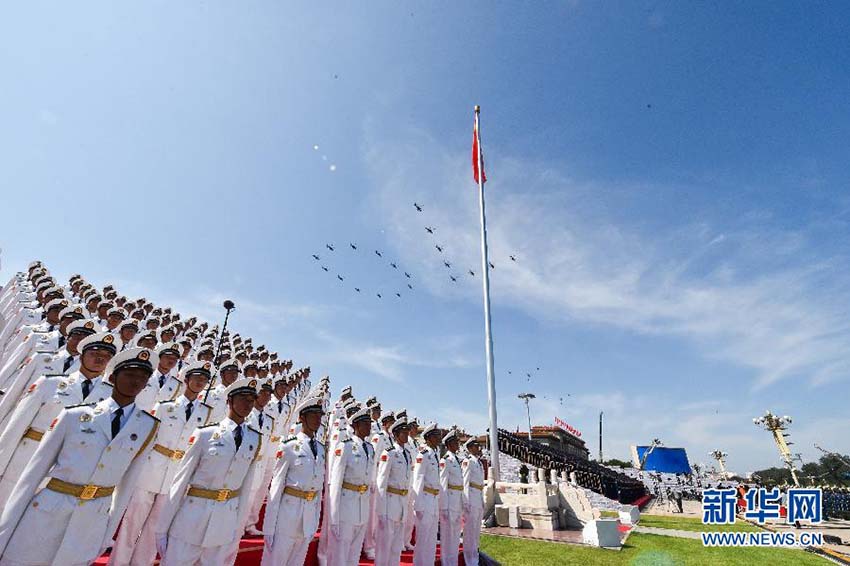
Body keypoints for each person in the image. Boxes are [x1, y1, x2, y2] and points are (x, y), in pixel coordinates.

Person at [0, 347, 160, 565]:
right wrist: (6, 529)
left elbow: (127, 486)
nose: (136, 382)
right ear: (112, 377)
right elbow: (32, 476)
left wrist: (105, 534)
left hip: (91, 519)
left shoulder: (147, 427)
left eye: (143, 378)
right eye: (130, 375)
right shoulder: (74, 416)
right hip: (50, 509)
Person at [109, 360, 214, 565]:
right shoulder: (165, 407)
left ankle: (141, 562)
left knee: (156, 526)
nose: (201, 382)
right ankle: (118, 562)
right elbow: (147, 437)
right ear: (186, 380)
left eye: (204, 380)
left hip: (176, 473)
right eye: (197, 378)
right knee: (133, 521)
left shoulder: (205, 413)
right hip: (151, 468)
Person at [0, 331, 120, 506]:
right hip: (27, 458)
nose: (100, 359)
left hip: (67, 470)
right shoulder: (49, 384)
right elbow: (16, 426)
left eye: (106, 356)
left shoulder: (111, 397)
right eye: (94, 354)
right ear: (81, 356)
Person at [155, 376, 263, 565]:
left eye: (251, 400)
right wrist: (162, 529)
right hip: (191, 520)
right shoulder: (205, 434)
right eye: (243, 398)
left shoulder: (254, 440)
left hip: (223, 524)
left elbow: (245, 492)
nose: (248, 403)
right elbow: (180, 483)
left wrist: (236, 531)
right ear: (230, 401)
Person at [262, 394, 326, 566]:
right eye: (313, 415)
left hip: (307, 517)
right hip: (287, 515)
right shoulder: (289, 446)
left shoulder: (320, 449)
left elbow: (318, 488)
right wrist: (269, 526)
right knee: (276, 561)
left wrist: (314, 520)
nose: (317, 420)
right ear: (302, 418)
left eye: (319, 416)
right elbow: (276, 487)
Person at [326, 405, 375, 566]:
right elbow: (336, 482)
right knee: (340, 552)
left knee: (354, 554)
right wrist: (334, 516)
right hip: (346, 506)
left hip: (362, 506)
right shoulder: (345, 446)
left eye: (370, 423)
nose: (369, 426)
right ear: (356, 426)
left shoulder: (370, 448)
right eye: (365, 424)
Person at [374, 418, 412, 566]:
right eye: (403, 432)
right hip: (390, 501)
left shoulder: (407, 454)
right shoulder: (389, 453)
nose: (406, 435)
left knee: (396, 544)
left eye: (407, 432)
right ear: (395, 434)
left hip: (401, 502)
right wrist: (381, 509)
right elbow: (381, 482)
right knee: (385, 543)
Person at [411, 423, 442, 566]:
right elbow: (418, 480)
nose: (439, 438)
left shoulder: (435, 454)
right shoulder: (423, 455)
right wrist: (418, 506)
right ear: (429, 438)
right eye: (436, 436)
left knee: (431, 539)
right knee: (423, 539)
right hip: (425, 499)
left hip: (434, 499)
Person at [439, 429, 464, 566]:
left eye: (457, 442)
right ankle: (446, 562)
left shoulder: (456, 460)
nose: (457, 445)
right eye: (455, 443)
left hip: (457, 501)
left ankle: (453, 562)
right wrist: (443, 507)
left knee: (455, 536)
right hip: (449, 501)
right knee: (448, 536)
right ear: (448, 445)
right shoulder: (446, 461)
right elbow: (443, 485)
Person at [461, 438, 485, 566]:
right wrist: (465, 502)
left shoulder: (479, 463)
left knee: (476, 531)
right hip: (471, 499)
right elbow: (465, 482)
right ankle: (469, 560)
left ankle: (475, 558)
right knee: (469, 532)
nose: (478, 448)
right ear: (470, 448)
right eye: (476, 446)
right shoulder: (468, 461)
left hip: (478, 498)